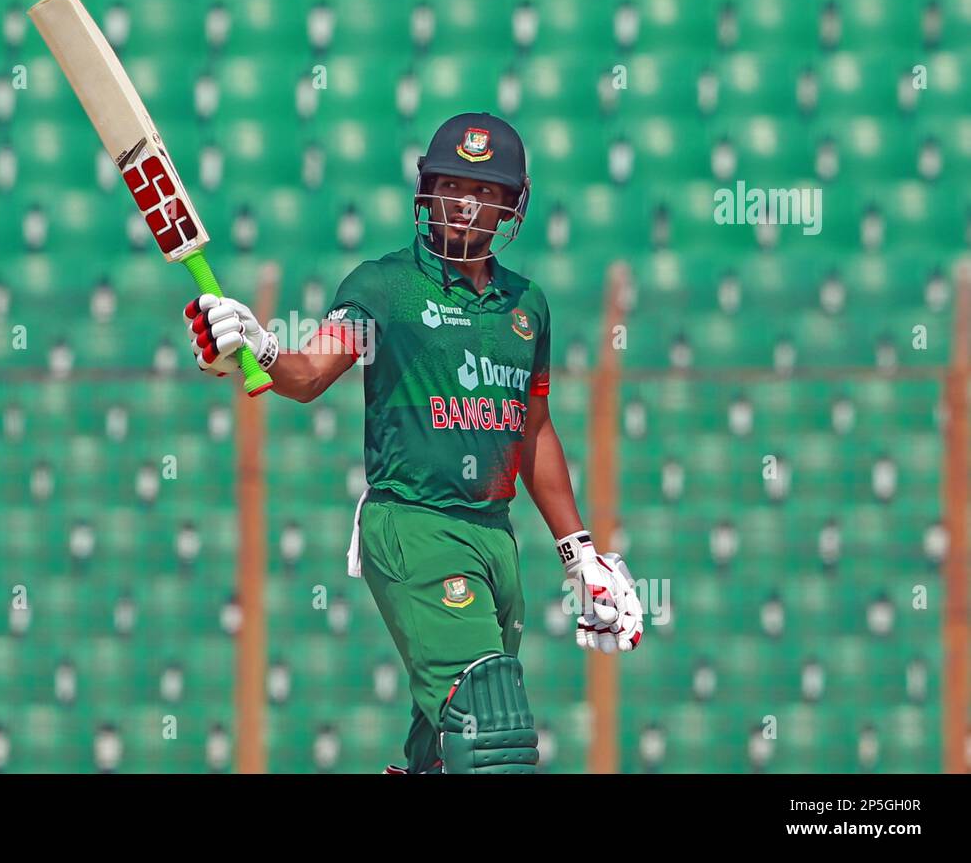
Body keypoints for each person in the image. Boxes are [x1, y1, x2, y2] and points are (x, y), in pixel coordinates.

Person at [184, 112, 644, 773]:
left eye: (483, 191)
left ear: (511, 204)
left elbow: (533, 430)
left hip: (494, 537)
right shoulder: (386, 286)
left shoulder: (527, 305)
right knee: (492, 732)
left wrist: (581, 555)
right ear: (427, 191)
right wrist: (258, 346)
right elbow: (310, 372)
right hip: (413, 525)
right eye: (451, 185)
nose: (464, 204)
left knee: (446, 750)